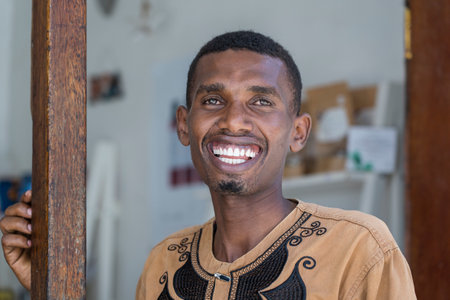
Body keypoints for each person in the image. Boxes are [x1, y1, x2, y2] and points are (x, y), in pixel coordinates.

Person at [1, 31, 416, 299]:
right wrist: (49, 286)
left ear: (298, 132)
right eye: (213, 100)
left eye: (262, 101)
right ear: (184, 125)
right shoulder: (164, 262)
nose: (234, 120)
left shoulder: (358, 251)